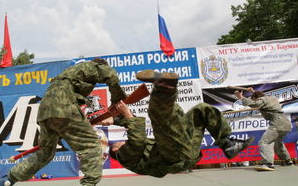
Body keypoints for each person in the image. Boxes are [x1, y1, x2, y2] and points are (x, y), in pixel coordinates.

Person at [0, 58, 127, 186]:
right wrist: (118, 99)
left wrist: (64, 129)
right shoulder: (91, 66)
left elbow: (72, 107)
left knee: (45, 154)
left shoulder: (69, 77)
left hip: (46, 110)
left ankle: (8, 180)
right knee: (91, 145)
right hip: (63, 108)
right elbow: (110, 74)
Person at [103, 70, 254, 177]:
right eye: (119, 143)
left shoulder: (132, 154)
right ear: (115, 150)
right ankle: (164, 88)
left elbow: (135, 133)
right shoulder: (124, 157)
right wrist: (127, 114)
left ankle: (227, 144)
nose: (122, 141)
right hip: (174, 157)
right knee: (161, 119)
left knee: (201, 111)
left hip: (185, 151)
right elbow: (137, 139)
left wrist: (115, 120)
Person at [234, 88, 293, 171]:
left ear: (256, 98)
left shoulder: (262, 100)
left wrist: (240, 97)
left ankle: (268, 163)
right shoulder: (271, 98)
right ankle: (287, 160)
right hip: (286, 123)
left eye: (253, 98)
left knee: (264, 142)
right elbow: (261, 97)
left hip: (277, 123)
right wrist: (254, 92)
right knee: (277, 142)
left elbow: (254, 103)